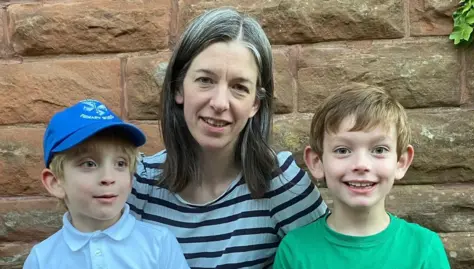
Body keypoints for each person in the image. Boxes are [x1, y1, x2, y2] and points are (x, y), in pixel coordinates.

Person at [127, 7, 328, 268]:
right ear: (179, 88)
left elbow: (328, 257)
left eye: (239, 87)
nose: (220, 103)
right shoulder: (138, 186)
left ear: (255, 103)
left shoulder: (281, 184)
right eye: (205, 80)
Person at [273, 85, 451, 269]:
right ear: (317, 162)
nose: (361, 165)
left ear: (401, 162)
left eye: (379, 150)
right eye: (342, 150)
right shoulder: (295, 250)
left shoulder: (424, 248)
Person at [23, 99, 190, 269]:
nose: (108, 178)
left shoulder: (159, 244)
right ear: (55, 182)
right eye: (89, 164)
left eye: (120, 164)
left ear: (131, 177)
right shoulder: (42, 259)